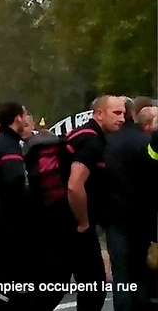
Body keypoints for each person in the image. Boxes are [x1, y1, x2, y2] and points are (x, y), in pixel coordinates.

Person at [62, 95, 125, 311]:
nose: (122, 118)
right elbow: (74, 185)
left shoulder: (85, 135)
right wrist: (83, 222)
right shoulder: (91, 140)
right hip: (73, 223)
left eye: (123, 113)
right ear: (99, 114)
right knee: (93, 287)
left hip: (64, 219)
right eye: (116, 113)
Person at [0, 102, 32, 311]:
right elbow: (15, 179)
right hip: (10, 218)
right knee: (13, 277)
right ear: (17, 118)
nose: (27, 119)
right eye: (25, 115)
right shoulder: (10, 145)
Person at [103, 97, 152, 310]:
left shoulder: (107, 143)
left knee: (121, 274)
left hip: (116, 216)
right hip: (143, 216)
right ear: (134, 114)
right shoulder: (146, 141)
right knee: (141, 270)